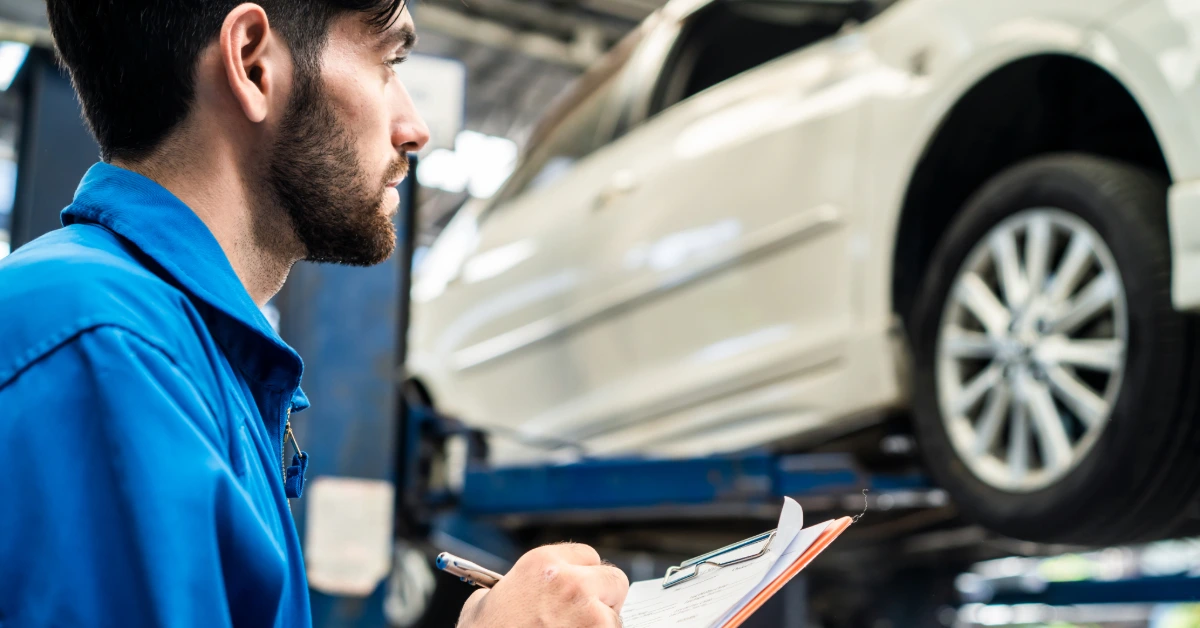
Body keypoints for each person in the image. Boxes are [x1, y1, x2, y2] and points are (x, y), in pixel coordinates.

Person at [0, 1, 629, 626]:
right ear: (252, 64)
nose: (414, 127)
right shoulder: (107, 353)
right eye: (388, 62)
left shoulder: (178, 353)